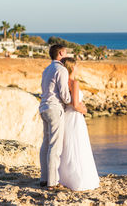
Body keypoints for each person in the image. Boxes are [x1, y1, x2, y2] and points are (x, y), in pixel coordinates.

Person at [58, 57, 100, 191]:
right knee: (78, 144)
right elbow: (76, 105)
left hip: (66, 116)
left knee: (68, 146)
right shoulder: (74, 82)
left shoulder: (62, 83)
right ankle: (77, 179)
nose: (77, 68)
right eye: (76, 66)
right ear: (72, 67)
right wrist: (85, 110)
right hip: (75, 117)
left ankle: (64, 177)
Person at [39, 44, 71, 189]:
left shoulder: (46, 70)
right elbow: (64, 94)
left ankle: (44, 178)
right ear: (60, 53)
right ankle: (52, 182)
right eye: (66, 52)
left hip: (43, 107)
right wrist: (72, 102)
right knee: (54, 146)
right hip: (54, 108)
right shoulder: (61, 69)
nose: (67, 54)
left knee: (46, 143)